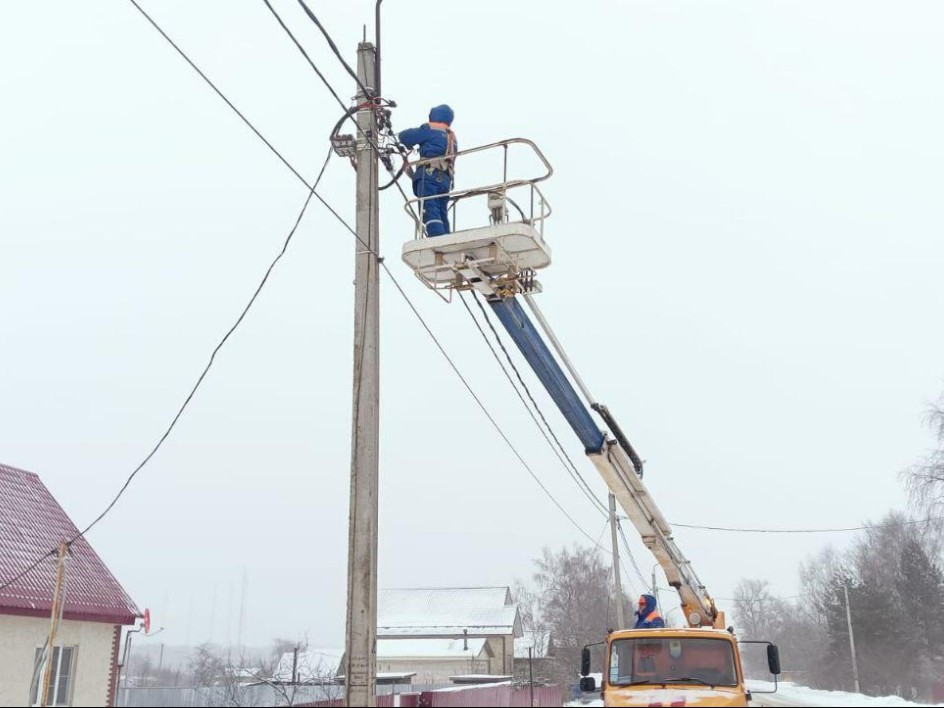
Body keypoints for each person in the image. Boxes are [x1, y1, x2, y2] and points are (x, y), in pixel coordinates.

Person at [398, 104, 457, 237]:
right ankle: (446, 237)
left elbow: (405, 137)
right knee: (441, 211)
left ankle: (436, 237)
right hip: (445, 180)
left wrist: (405, 141)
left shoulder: (430, 129)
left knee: (430, 207)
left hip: (429, 175)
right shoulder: (452, 137)